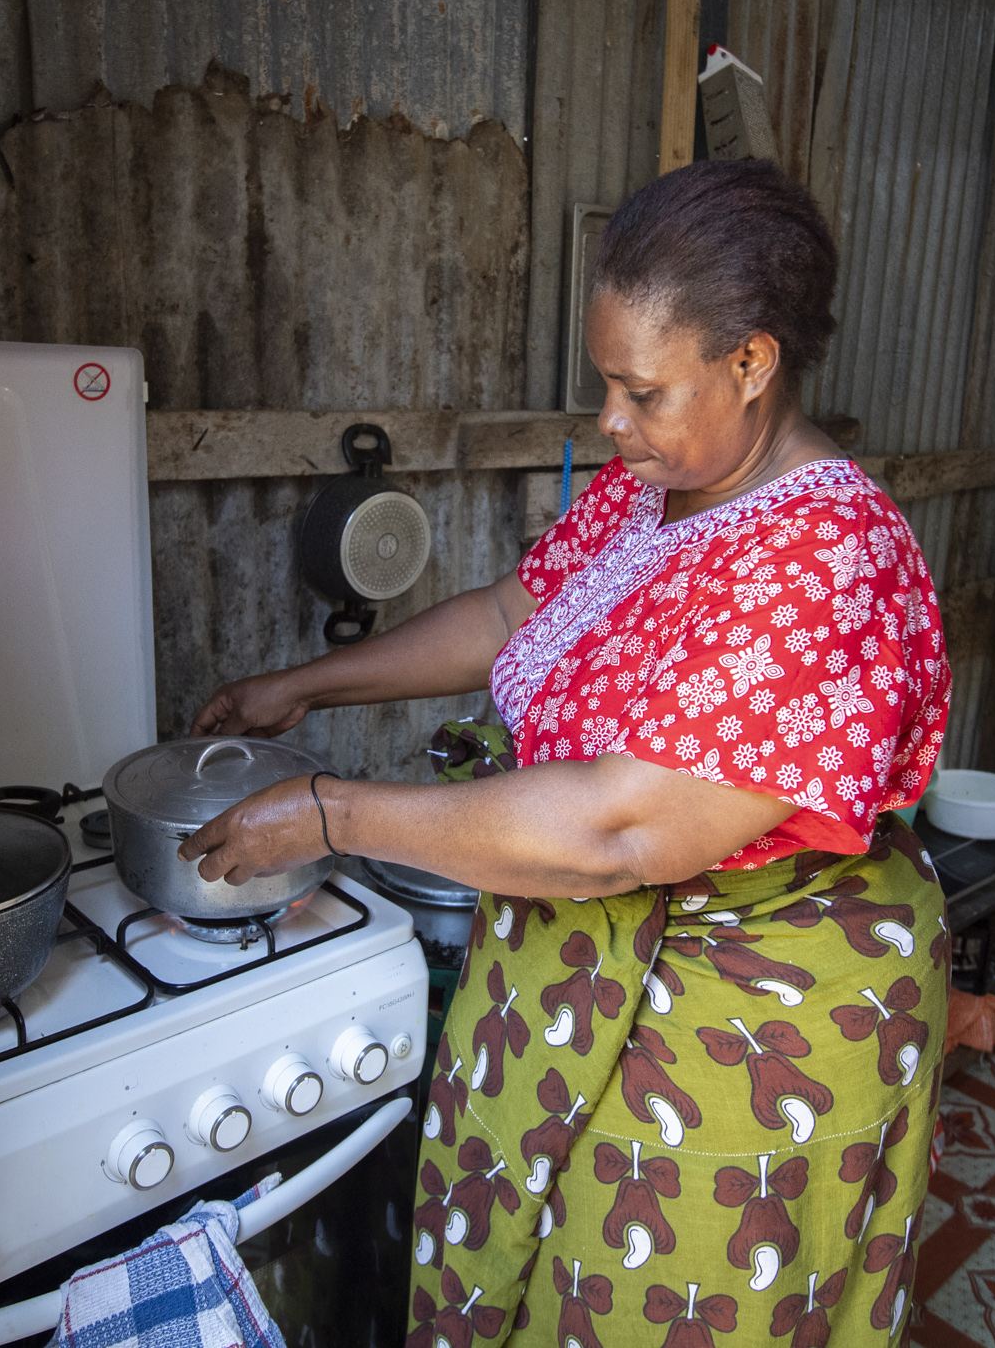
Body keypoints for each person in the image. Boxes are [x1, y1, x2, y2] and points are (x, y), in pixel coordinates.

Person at [180, 158, 951, 1347]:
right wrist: (306, 684)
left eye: (640, 390)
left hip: (742, 1027)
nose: (609, 421)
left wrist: (330, 812)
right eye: (605, 385)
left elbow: (618, 829)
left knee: (648, 1306)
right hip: (584, 978)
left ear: (752, 364)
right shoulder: (651, 490)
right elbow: (506, 616)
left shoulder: (820, 561)